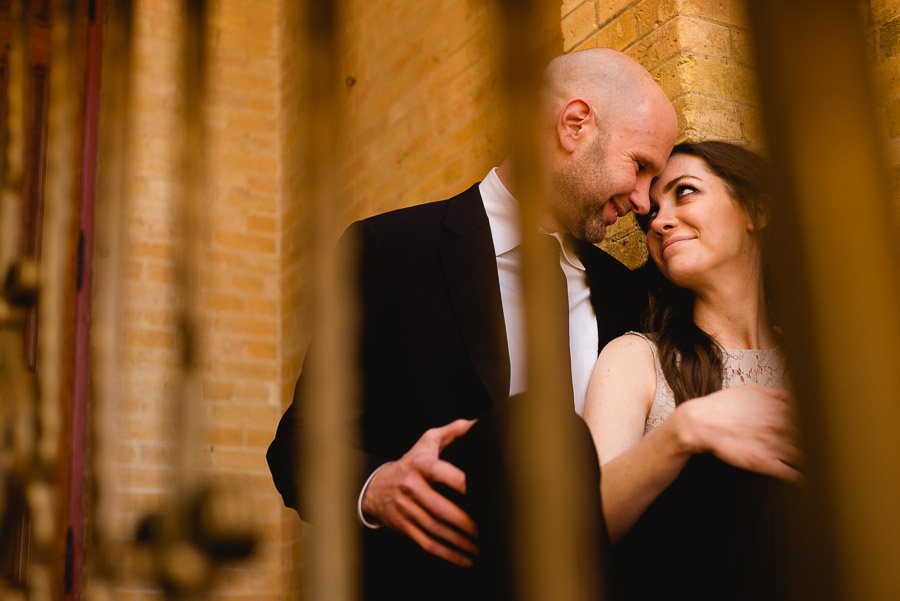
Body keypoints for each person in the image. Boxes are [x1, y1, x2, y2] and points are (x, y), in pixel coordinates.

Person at [266, 48, 678, 600]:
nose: (645, 200)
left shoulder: (628, 295)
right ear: (574, 124)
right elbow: (299, 444)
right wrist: (376, 486)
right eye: (640, 166)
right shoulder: (391, 252)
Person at [583, 141, 803, 600]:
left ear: (756, 211)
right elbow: (588, 521)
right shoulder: (635, 358)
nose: (660, 222)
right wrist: (686, 430)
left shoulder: (816, 364)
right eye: (651, 215)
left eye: (685, 192)